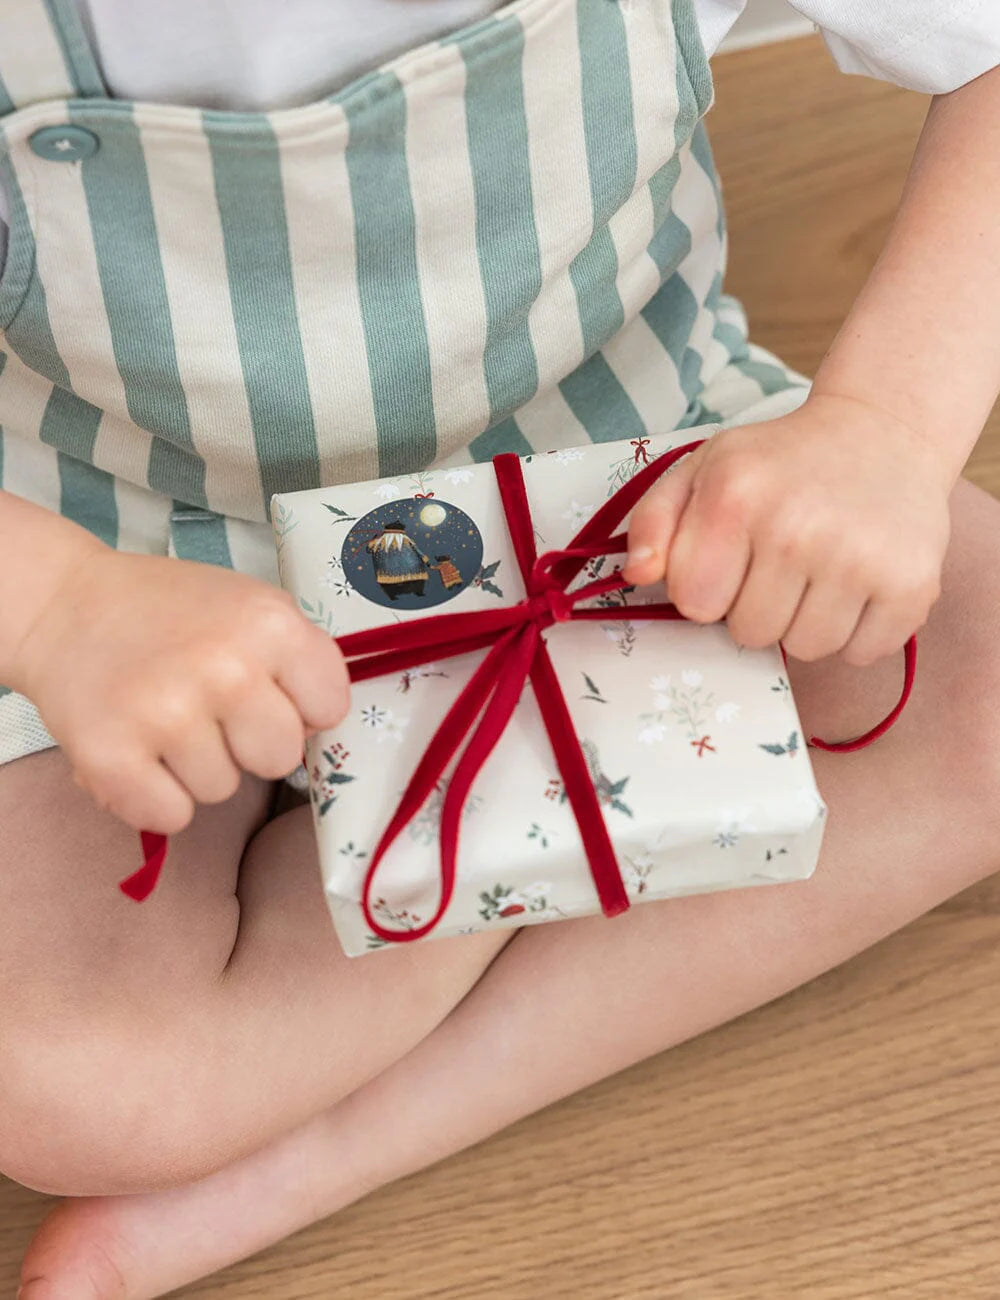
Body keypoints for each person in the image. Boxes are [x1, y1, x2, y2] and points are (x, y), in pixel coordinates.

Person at [1, 2, 998, 1296]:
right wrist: (54, 608)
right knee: (64, 1078)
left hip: (616, 482)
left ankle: (314, 1150)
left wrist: (890, 429)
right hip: (125, 538)